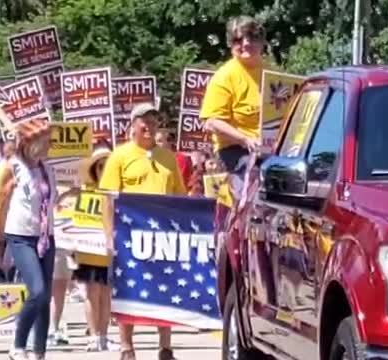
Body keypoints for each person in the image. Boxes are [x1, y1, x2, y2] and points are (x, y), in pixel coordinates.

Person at [100, 103, 187, 360]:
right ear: (133, 126)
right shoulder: (120, 156)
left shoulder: (168, 157)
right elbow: (108, 198)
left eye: (153, 120)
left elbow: (180, 197)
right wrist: (109, 235)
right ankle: (127, 346)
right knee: (129, 289)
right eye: (143, 121)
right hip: (129, 235)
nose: (148, 126)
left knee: (166, 289)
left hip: (163, 235)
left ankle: (165, 347)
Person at [0, 119, 57, 360]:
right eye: (45, 141)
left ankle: (39, 351)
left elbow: (50, 201)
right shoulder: (13, 167)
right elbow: (0, 203)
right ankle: (18, 345)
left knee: (45, 297)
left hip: (45, 237)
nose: (49, 146)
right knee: (37, 291)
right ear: (30, 143)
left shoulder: (48, 169)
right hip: (20, 236)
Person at [199, 15, 265, 215]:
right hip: (236, 152)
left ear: (262, 41)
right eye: (238, 40)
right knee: (252, 196)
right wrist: (245, 139)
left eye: (252, 37)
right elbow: (211, 122)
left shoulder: (269, 72)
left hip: (269, 149)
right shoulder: (225, 76)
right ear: (230, 44)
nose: (246, 43)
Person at [73, 146, 119, 352]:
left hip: (111, 250)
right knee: (92, 293)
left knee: (107, 294)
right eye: (100, 166)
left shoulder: (119, 192)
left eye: (107, 165)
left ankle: (104, 335)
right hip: (89, 250)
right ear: (94, 169)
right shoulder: (85, 191)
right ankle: (94, 335)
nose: (103, 169)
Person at [0, 139, 17, 283]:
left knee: (7, 259)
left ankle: (6, 287)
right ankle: (4, 289)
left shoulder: (22, 171)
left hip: (14, 220)